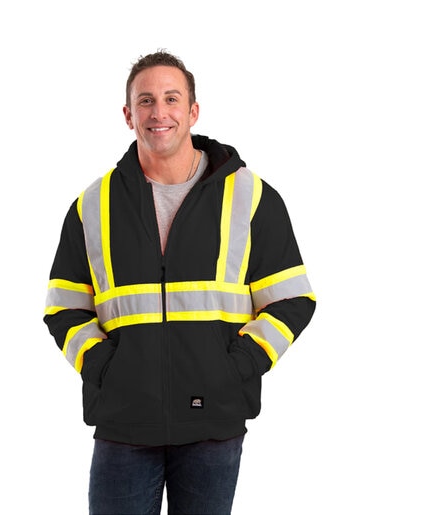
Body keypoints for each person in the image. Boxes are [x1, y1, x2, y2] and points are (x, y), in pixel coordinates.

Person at [44, 50, 316, 515]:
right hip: (125, 423)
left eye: (172, 99)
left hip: (213, 425)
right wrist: (105, 369)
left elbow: (292, 299)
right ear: (128, 115)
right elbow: (64, 307)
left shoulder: (250, 196)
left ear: (193, 111)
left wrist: (237, 369)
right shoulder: (93, 205)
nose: (159, 112)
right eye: (145, 100)